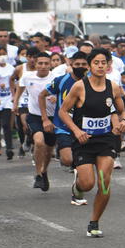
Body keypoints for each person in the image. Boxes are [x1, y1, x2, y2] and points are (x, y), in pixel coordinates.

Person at [59, 48, 125, 237]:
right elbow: (63, 112)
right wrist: (77, 130)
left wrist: (124, 122)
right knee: (88, 184)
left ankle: (94, 222)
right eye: (96, 63)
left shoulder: (113, 87)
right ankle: (78, 188)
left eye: (103, 63)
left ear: (108, 65)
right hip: (84, 141)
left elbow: (122, 110)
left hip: (106, 140)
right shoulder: (79, 87)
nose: (100, 66)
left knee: (105, 183)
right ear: (89, 66)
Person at [41, 52, 90, 204]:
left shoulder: (91, 82)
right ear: (71, 64)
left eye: (83, 65)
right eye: (77, 65)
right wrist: (44, 119)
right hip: (63, 125)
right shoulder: (61, 81)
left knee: (82, 161)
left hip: (84, 127)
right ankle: (48, 170)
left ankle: (78, 187)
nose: (80, 67)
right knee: (68, 160)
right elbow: (41, 95)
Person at [13, 52, 56, 192]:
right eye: (40, 63)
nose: (43, 66)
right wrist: (15, 104)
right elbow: (19, 91)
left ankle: (44, 171)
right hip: (35, 115)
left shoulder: (56, 78)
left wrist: (57, 98)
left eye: (46, 63)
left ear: (50, 65)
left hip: (53, 117)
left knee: (49, 149)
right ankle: (38, 174)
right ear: (35, 64)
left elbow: (65, 94)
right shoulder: (27, 77)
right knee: (39, 142)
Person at [0, 46, 16, 159]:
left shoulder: (11, 68)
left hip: (7, 99)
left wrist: (14, 95)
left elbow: (15, 81)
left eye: (4, 53)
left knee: (6, 124)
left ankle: (9, 148)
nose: (2, 56)